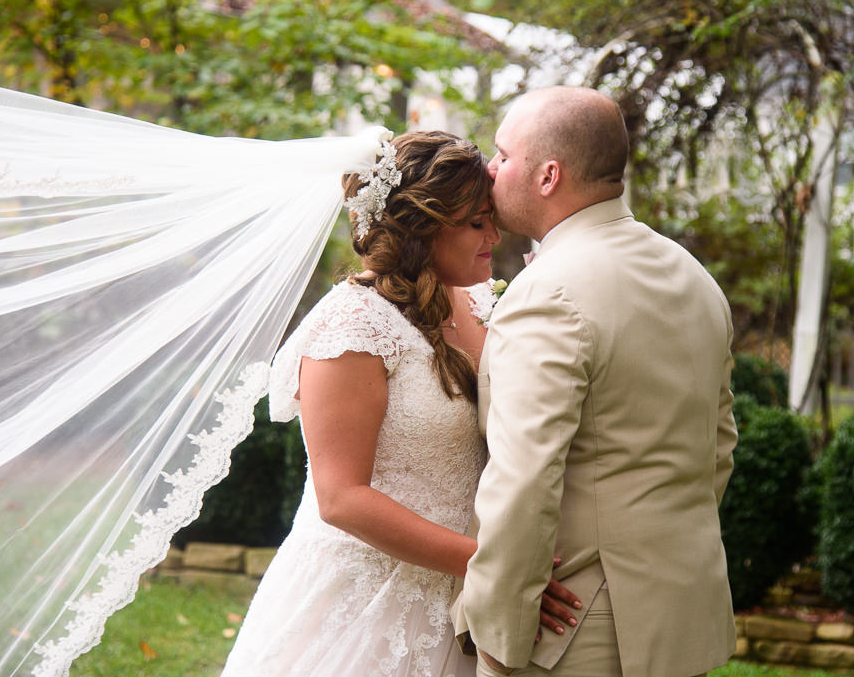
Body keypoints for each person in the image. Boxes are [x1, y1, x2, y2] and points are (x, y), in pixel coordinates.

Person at [221, 130, 578, 677]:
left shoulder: (481, 299)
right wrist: (496, 565)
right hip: (368, 599)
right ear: (423, 229)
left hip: (463, 595)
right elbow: (341, 498)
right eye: (476, 222)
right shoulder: (352, 326)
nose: (495, 234)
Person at [453, 86, 739, 677]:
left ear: (548, 175)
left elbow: (524, 478)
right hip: (684, 613)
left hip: (581, 628)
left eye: (503, 155)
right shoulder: (694, 278)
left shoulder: (549, 293)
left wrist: (498, 632)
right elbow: (718, 448)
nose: (490, 168)